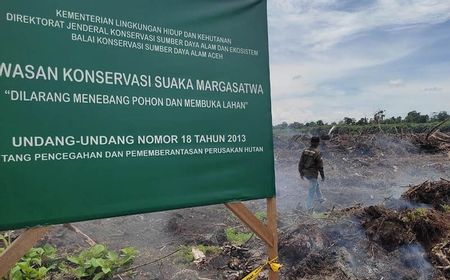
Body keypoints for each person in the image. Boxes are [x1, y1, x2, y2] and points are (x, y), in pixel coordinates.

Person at [298, 136, 325, 210]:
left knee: (316, 184)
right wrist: (323, 176)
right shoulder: (317, 153)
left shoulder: (305, 151)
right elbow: (320, 166)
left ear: (311, 142)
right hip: (312, 173)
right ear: (317, 143)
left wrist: (301, 172)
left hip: (305, 172)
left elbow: (301, 162)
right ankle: (308, 207)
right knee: (311, 191)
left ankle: (321, 198)